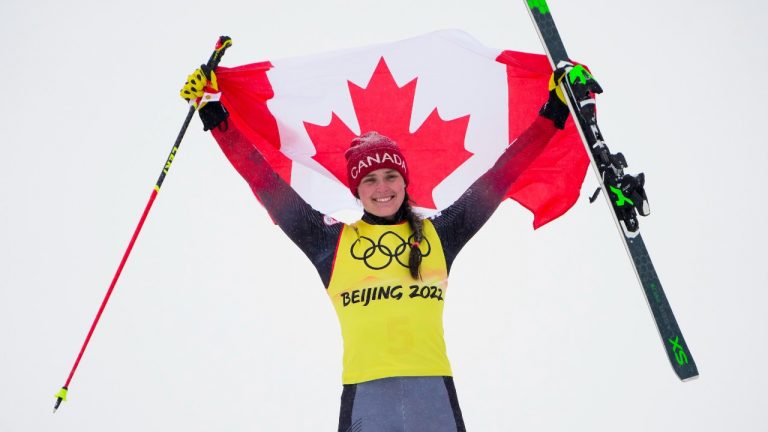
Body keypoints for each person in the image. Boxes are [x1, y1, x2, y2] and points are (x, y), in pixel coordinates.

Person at [180, 62, 596, 431]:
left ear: (404, 181)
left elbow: (502, 175)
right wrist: (214, 114)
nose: (382, 188)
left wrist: (554, 111)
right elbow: (263, 181)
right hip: (366, 393)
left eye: (390, 176)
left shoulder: (440, 233)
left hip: (432, 392)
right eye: (370, 180)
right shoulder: (330, 242)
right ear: (356, 191)